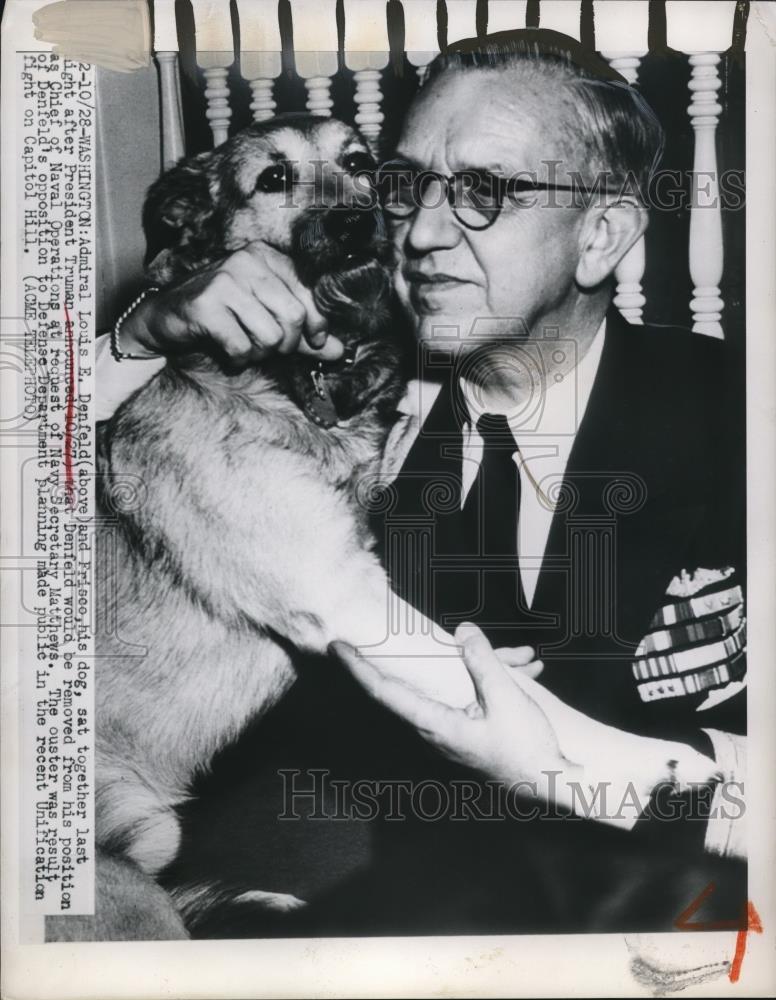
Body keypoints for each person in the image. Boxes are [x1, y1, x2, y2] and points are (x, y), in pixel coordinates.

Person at [96, 30, 746, 932]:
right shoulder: (332, 419)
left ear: (601, 235)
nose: (421, 230)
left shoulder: (737, 410)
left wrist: (604, 775)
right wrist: (135, 340)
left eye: (486, 191)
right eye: (408, 184)